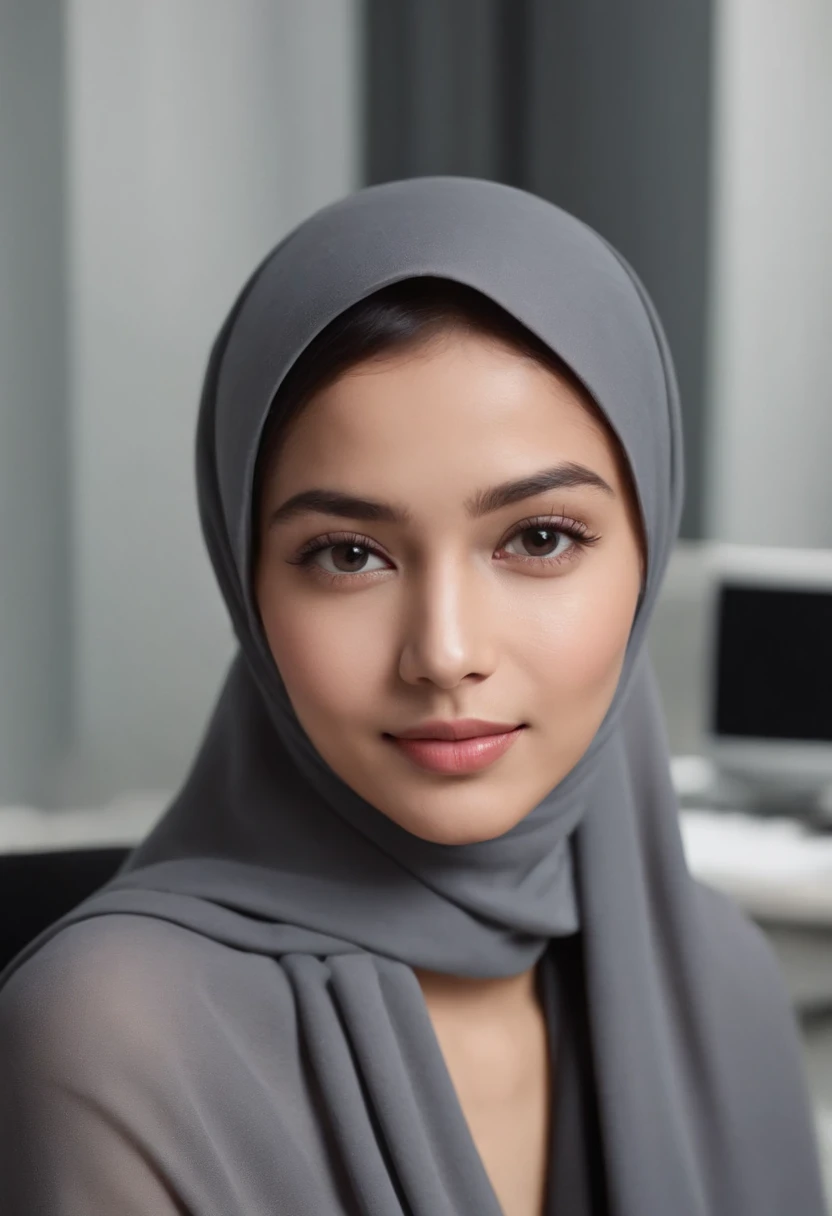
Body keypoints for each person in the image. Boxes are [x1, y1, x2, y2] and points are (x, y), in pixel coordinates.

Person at [0, 177, 825, 1216]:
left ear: (648, 555)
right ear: (246, 585)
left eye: (537, 538)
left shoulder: (723, 980)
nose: (442, 652)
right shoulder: (113, 1036)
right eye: (347, 554)